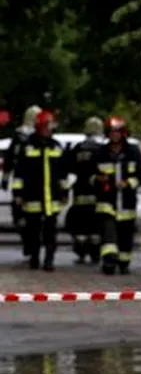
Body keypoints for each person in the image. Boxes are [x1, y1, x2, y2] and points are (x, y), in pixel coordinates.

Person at [11, 109, 69, 271]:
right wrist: (18, 194)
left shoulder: (57, 146)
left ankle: (49, 260)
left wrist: (65, 192)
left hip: (52, 198)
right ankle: (34, 258)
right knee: (33, 231)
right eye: (46, 127)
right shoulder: (27, 146)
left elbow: (62, 173)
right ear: (39, 127)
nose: (48, 130)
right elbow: (19, 173)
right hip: (32, 197)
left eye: (50, 127)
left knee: (51, 232)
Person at [94, 115, 141, 275]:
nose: (114, 135)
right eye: (111, 132)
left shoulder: (133, 152)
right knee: (108, 236)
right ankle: (109, 262)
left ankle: (124, 263)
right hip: (106, 203)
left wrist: (128, 183)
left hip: (126, 203)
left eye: (117, 132)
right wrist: (98, 179)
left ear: (123, 133)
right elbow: (90, 175)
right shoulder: (101, 152)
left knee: (126, 237)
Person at [65, 116, 106, 264]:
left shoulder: (77, 148)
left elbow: (69, 169)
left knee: (80, 228)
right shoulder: (102, 149)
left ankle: (81, 253)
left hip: (79, 194)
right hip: (98, 194)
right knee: (96, 228)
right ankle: (95, 254)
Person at [2, 105, 42, 255]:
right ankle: (28, 242)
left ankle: (32, 244)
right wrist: (5, 179)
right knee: (20, 214)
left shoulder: (38, 137)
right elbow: (9, 159)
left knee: (33, 216)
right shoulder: (20, 137)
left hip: (35, 181)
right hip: (24, 180)